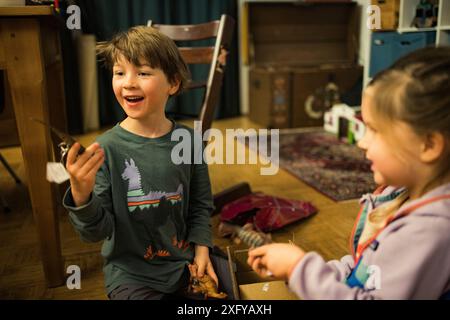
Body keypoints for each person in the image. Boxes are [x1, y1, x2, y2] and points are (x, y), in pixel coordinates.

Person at [247, 47, 450, 300]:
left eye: (375, 130)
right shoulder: (400, 197)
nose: (362, 142)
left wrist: (299, 269)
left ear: (428, 145)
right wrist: (310, 273)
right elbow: (368, 268)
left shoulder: (427, 233)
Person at [63, 26, 218, 300]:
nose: (129, 83)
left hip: (184, 265)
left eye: (143, 73)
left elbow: (200, 204)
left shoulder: (189, 141)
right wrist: (81, 195)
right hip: (131, 276)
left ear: (173, 83)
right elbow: (96, 232)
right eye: (119, 72)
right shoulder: (106, 148)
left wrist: (202, 249)